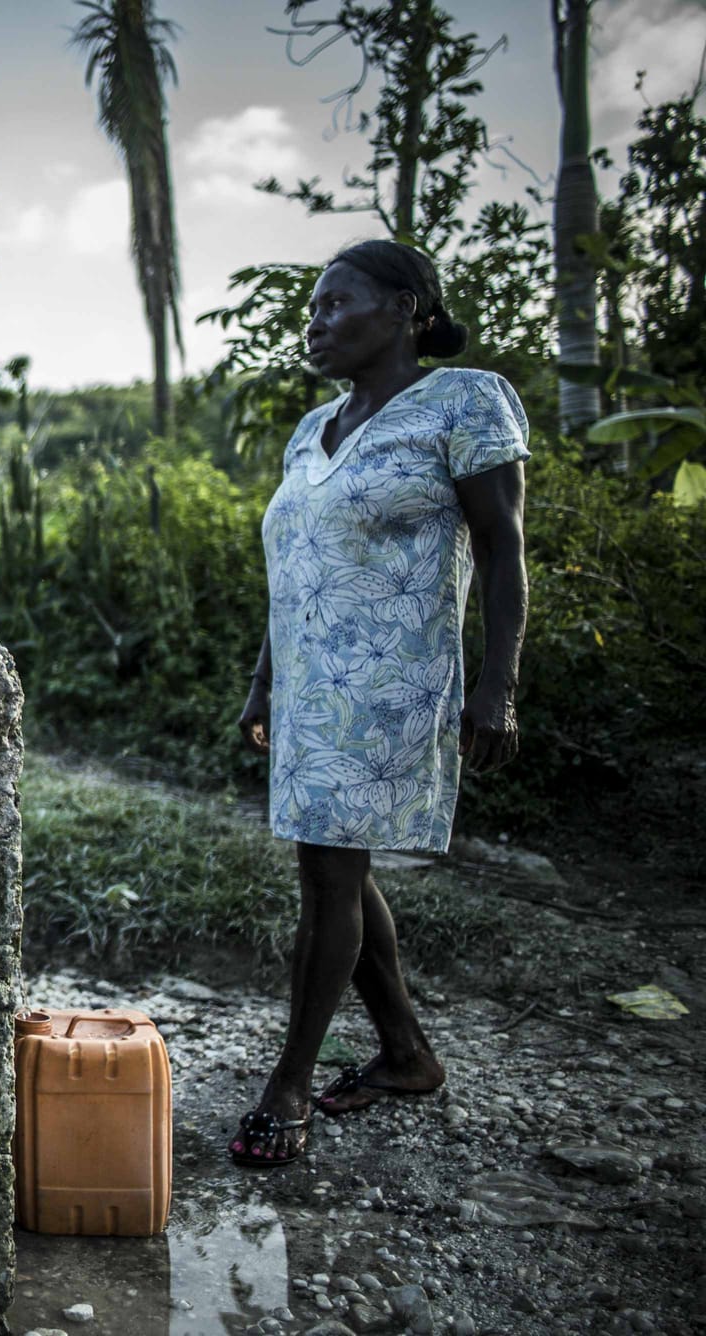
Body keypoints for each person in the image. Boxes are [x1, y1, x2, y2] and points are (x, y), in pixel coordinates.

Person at [229, 239, 530, 1168]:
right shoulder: (310, 428)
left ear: (405, 309)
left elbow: (502, 549)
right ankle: (406, 1054)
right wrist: (264, 677)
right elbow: (295, 567)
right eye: (310, 310)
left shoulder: (465, 401)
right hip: (312, 687)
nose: (313, 323)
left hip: (391, 682)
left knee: (327, 874)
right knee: (340, 872)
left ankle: (288, 1086)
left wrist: (497, 686)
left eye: (334, 304)